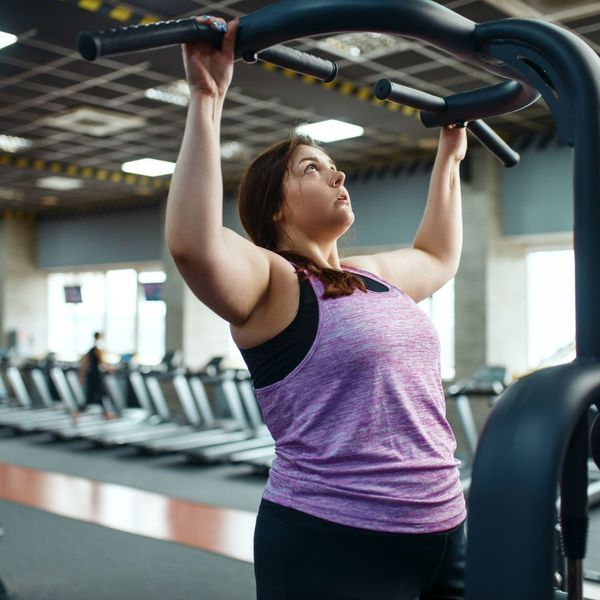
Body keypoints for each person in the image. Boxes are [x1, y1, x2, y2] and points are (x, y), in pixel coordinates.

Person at [167, 15, 468, 600]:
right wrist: (207, 98)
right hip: (335, 537)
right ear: (275, 209)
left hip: (442, 525)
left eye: (334, 164)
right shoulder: (273, 281)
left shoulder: (370, 277)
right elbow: (192, 244)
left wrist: (449, 158)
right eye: (313, 168)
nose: (337, 172)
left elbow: (438, 255)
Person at [79, 331, 113, 420]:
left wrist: (82, 375)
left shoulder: (92, 348)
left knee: (92, 395)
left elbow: (85, 363)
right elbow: (102, 363)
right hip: (96, 375)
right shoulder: (97, 349)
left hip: (91, 374)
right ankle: (105, 413)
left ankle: (104, 413)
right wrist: (111, 370)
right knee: (101, 394)